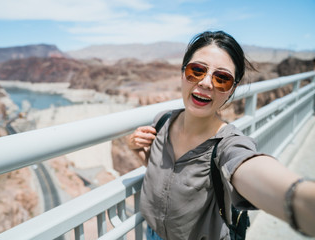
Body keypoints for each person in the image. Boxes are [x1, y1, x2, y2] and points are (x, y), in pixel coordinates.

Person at [126, 30, 315, 240]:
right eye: (196, 70)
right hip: (152, 234)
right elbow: (166, 174)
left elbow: (248, 167)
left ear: (231, 90)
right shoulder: (162, 122)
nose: (206, 83)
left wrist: (300, 199)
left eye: (222, 78)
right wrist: (137, 150)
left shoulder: (227, 145)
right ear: (182, 73)